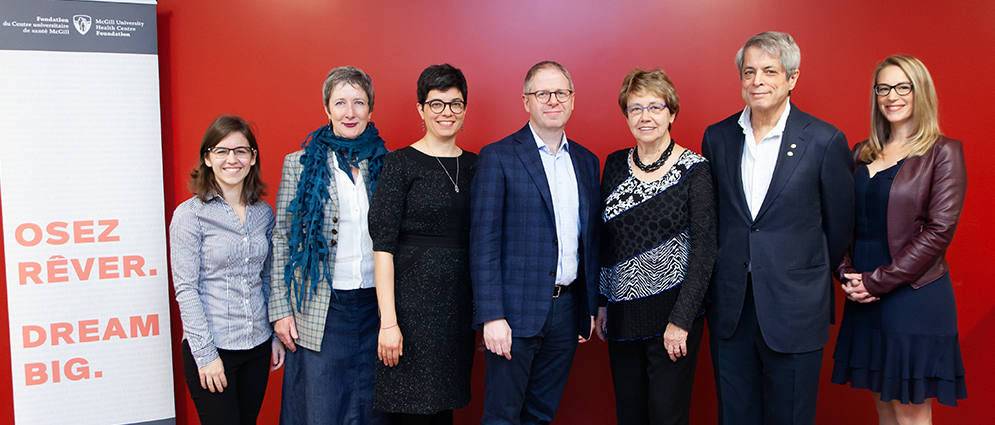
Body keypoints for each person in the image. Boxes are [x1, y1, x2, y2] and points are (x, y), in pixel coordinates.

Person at [700, 31, 855, 425]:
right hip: (731, 308)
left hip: (795, 309)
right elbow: (712, 217)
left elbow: (838, 229)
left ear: (792, 78)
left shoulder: (823, 140)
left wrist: (799, 271)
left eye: (769, 71)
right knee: (734, 416)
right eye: (749, 71)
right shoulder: (718, 138)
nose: (757, 81)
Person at [831, 55, 968, 424]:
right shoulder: (860, 152)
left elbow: (939, 231)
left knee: (909, 411)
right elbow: (839, 219)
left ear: (920, 91)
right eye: (884, 88)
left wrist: (878, 281)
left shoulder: (943, 152)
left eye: (903, 86)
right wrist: (846, 274)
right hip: (864, 294)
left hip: (914, 296)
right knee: (882, 404)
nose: (892, 96)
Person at [470, 60, 601, 425]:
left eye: (560, 93)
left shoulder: (588, 163)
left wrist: (589, 307)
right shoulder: (498, 156)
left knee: (541, 415)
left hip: (566, 311)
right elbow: (483, 244)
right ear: (526, 101)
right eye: (542, 93)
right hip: (512, 314)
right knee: (502, 416)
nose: (552, 100)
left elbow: (589, 240)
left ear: (573, 100)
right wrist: (492, 316)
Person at [594, 68, 716, 425]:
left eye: (655, 107)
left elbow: (705, 251)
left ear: (672, 113)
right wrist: (602, 301)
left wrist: (681, 320)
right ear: (626, 115)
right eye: (635, 108)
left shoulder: (695, 170)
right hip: (620, 315)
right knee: (629, 412)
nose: (645, 117)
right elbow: (607, 240)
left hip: (673, 317)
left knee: (666, 415)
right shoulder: (615, 164)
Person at [268, 66, 389, 425]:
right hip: (322, 308)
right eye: (340, 103)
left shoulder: (387, 163)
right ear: (327, 109)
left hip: (375, 308)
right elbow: (283, 238)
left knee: (373, 410)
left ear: (370, 109)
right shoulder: (300, 164)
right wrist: (280, 309)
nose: (349, 112)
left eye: (358, 102)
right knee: (323, 409)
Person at [370, 64, 476, 425]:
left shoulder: (478, 165)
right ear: (421, 109)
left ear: (465, 109)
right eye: (437, 104)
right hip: (410, 313)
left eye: (455, 103)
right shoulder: (399, 164)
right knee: (410, 412)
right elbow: (382, 247)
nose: (447, 112)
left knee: (442, 410)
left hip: (456, 311)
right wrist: (389, 323)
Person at [170, 115, 285, 425]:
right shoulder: (190, 215)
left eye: (241, 151)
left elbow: (267, 278)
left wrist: (274, 335)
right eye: (221, 151)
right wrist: (205, 356)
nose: (231, 159)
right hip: (213, 347)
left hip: (257, 346)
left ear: (252, 158)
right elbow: (186, 289)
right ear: (208, 158)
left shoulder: (263, 213)